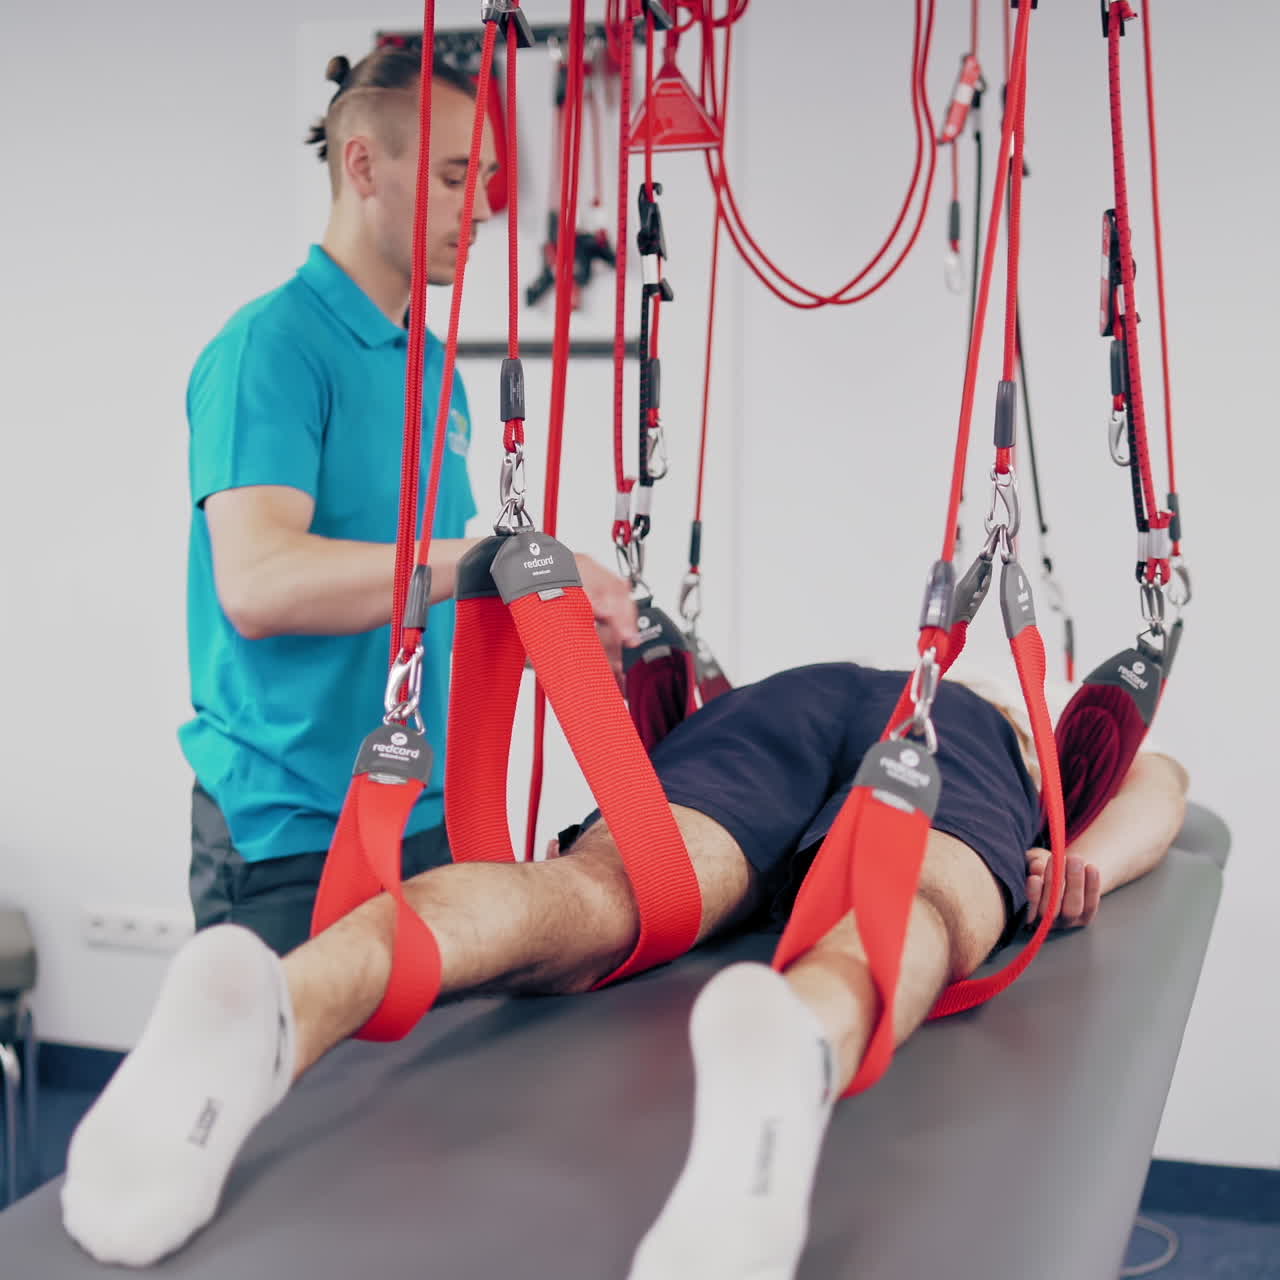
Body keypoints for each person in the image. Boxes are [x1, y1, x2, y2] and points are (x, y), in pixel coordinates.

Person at [61, 661, 1188, 1272]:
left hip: (768, 704)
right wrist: (1069, 856)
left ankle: (292, 994)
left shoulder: (794, 685)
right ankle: (799, 1041)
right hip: (945, 742)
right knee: (920, 900)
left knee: (601, 886)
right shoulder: (1015, 724)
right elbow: (1165, 781)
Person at [181, 44, 638, 957]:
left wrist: (547, 626)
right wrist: (490, 561)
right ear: (362, 165)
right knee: (297, 1100)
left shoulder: (437, 372)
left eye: (489, 180)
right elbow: (260, 582)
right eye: (453, 176)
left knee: (425, 1096)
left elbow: (422, 594)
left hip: (426, 811)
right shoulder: (269, 348)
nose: (479, 208)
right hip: (291, 835)